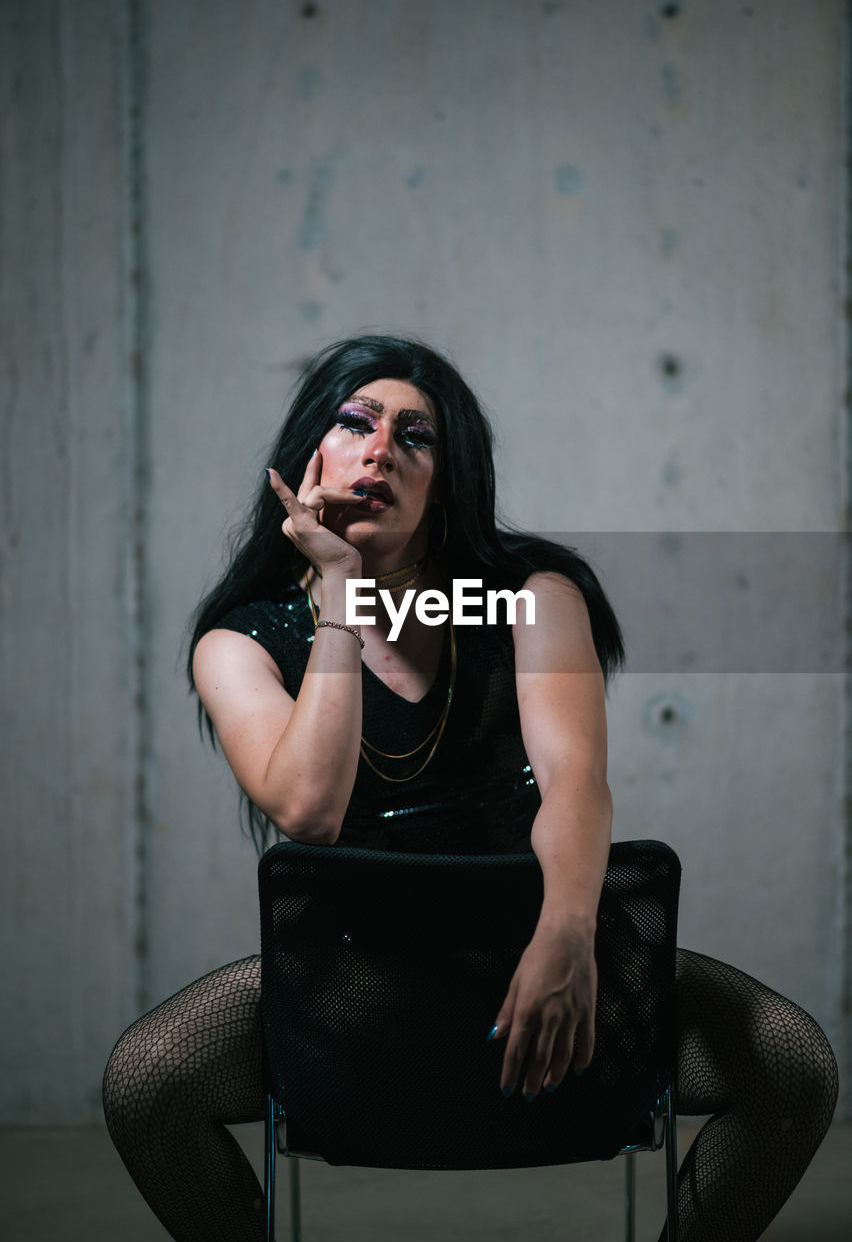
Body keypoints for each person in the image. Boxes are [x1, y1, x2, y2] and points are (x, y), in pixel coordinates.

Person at [103, 334, 837, 1242]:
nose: (381, 452)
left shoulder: (530, 595)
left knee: (792, 1064)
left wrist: (568, 932)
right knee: (147, 1081)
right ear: (309, 455)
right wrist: (342, 591)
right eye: (355, 423)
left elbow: (575, 779)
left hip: (546, 958)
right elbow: (309, 811)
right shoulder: (241, 643)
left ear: (443, 481)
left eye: (417, 437)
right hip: (352, 989)